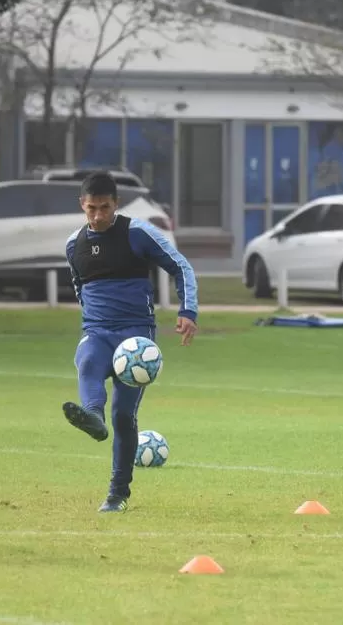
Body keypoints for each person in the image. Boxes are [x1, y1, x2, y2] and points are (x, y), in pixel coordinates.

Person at [62, 171, 199, 513]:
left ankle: (117, 494)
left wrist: (188, 311)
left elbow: (180, 266)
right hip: (97, 331)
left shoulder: (137, 233)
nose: (97, 215)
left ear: (116, 204)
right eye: (91, 208)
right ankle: (92, 417)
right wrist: (92, 323)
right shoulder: (73, 244)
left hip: (136, 337)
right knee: (88, 361)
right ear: (82, 205)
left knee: (123, 414)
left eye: (104, 208)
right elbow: (81, 289)